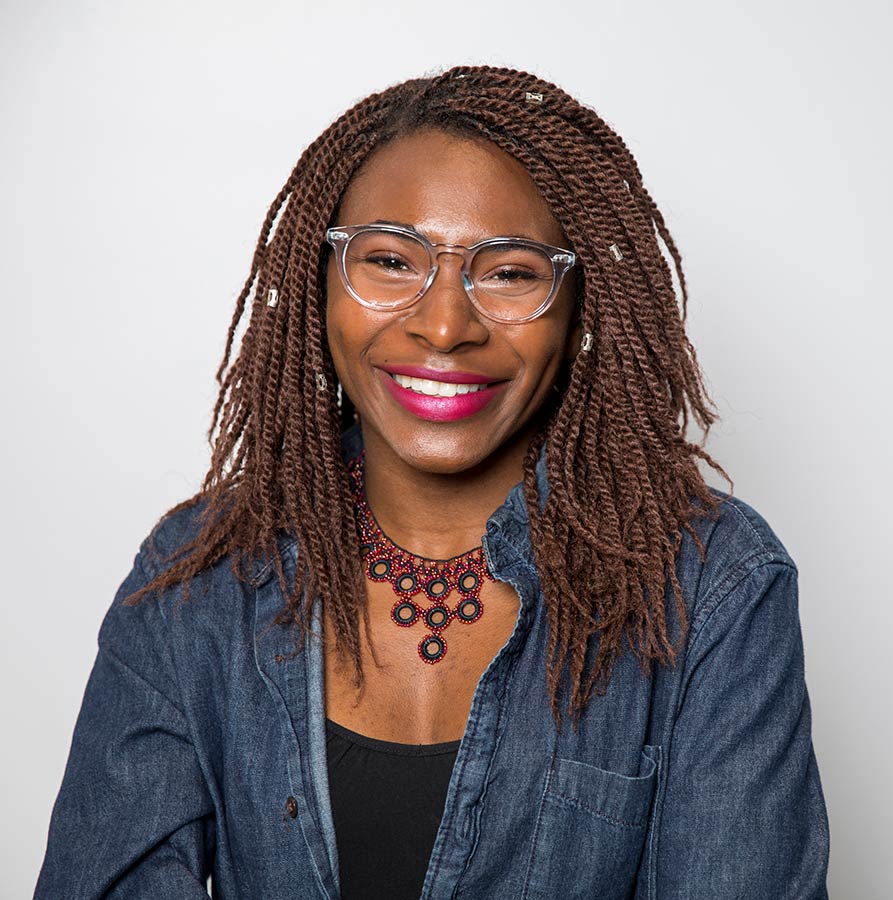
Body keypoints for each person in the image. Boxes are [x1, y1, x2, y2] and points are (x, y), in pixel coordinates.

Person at [35, 65, 830, 899]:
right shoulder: (198, 576)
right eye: (387, 259)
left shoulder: (712, 587)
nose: (444, 325)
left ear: (581, 307)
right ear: (318, 287)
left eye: (512, 273)